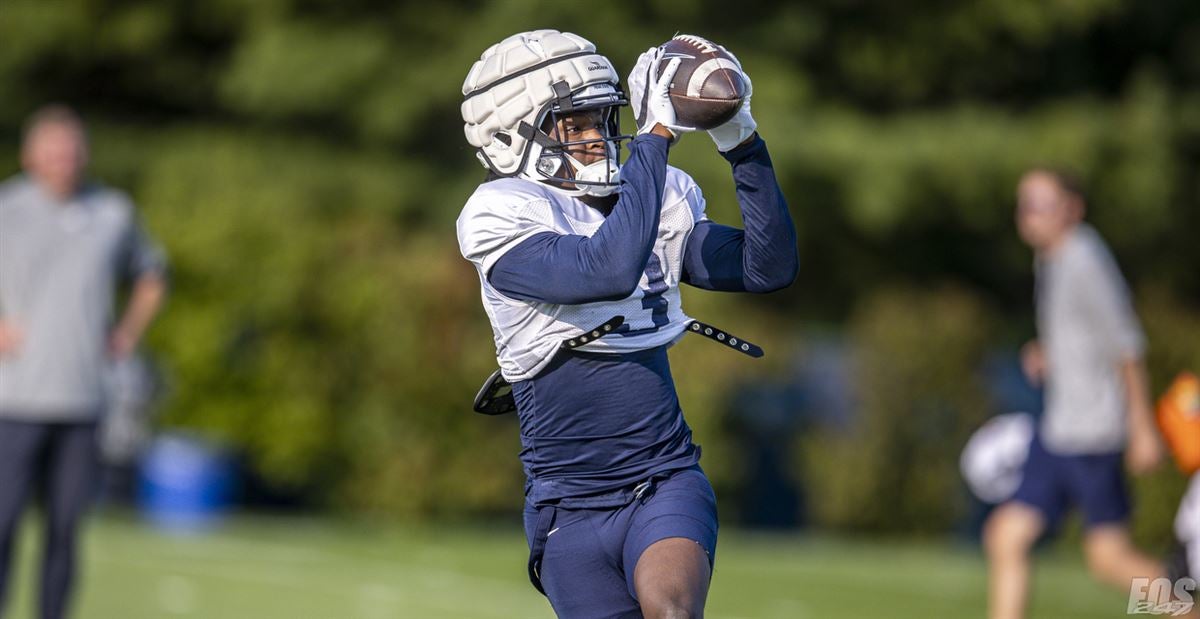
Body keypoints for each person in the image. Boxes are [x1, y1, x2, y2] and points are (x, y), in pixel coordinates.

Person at [456, 30, 797, 618]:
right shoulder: (500, 213)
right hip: (567, 505)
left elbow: (766, 267)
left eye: (602, 120)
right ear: (511, 135)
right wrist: (657, 136)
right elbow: (607, 269)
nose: (599, 138)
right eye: (577, 124)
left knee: (671, 611)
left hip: (662, 479)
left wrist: (741, 142)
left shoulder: (650, 198)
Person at [0, 105, 167, 619]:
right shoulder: (7, 207)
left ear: (85, 154)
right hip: (15, 399)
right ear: (31, 156)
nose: (62, 161)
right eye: (51, 151)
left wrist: (125, 334)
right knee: (2, 524)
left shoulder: (112, 212)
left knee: (66, 530)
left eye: (71, 151)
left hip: (84, 398)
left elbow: (152, 274)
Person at [983, 167, 1165, 619]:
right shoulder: (1051, 257)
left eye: (1042, 204)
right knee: (1006, 537)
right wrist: (1046, 353)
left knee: (1109, 561)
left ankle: (1184, 609)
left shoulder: (1085, 258)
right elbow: (1082, 335)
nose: (1030, 215)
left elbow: (1126, 345)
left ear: (1072, 209)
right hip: (1059, 430)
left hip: (1092, 435)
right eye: (1024, 204)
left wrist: (1142, 427)